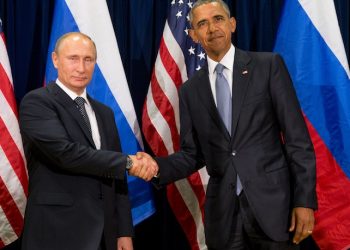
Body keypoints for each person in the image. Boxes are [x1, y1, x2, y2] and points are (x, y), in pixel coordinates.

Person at [131, 0, 317, 249]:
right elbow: (192, 154)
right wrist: (156, 167)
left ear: (232, 24)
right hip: (224, 218)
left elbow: (298, 140)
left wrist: (304, 201)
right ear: (193, 35)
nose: (212, 28)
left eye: (218, 19)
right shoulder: (190, 90)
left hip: (274, 209)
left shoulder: (268, 66)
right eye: (202, 23)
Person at [19, 32, 153, 250]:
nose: (81, 68)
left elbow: (116, 177)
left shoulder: (105, 112)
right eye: (73, 58)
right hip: (56, 232)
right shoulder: (37, 102)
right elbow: (66, 154)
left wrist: (124, 232)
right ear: (55, 60)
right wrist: (129, 162)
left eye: (88, 59)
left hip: (105, 235)